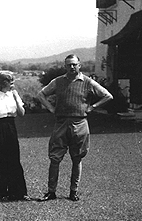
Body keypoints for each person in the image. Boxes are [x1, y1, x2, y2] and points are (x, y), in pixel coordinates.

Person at [37, 54, 113, 202]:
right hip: (61, 123)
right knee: (55, 158)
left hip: (80, 123)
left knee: (77, 158)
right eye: (68, 65)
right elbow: (41, 95)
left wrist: (93, 107)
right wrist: (51, 109)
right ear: (65, 66)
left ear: (79, 65)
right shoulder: (58, 81)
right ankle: (51, 191)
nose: (72, 67)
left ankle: (74, 192)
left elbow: (108, 96)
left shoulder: (88, 82)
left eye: (74, 64)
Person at [0, 72, 31, 201]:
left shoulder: (13, 95)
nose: (13, 85)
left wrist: (15, 97)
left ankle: (17, 192)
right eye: (11, 83)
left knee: (14, 160)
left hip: (11, 127)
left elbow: (22, 113)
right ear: (3, 83)